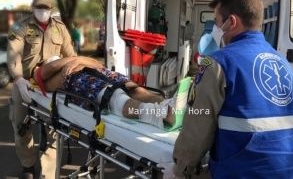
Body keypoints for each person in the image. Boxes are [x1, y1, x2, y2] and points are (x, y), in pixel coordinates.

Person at [158, 0, 293, 178]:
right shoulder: (282, 62)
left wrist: (180, 169)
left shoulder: (218, 62)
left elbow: (198, 125)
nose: (217, 30)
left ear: (232, 22)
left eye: (218, 23)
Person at [7, 0, 76, 179]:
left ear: (51, 8)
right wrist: (19, 80)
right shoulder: (20, 27)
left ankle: (48, 174)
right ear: (32, 7)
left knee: (52, 129)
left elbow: (71, 55)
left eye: (45, 8)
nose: (42, 11)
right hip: (25, 82)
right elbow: (13, 56)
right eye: (38, 7)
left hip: (50, 87)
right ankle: (27, 165)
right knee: (21, 128)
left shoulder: (60, 28)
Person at [31, 56, 181, 129]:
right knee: (116, 97)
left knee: (134, 88)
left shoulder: (75, 61)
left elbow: (97, 64)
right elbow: (46, 71)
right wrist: (72, 59)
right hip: (81, 80)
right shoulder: (45, 75)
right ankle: (158, 113)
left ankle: (166, 104)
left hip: (100, 72)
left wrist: (76, 60)